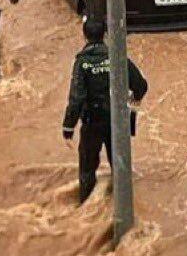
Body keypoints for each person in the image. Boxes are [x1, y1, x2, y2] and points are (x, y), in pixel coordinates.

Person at [62, 17, 148, 203]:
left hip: (92, 122)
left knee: (87, 167)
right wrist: (134, 101)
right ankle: (124, 204)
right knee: (120, 165)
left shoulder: (83, 63)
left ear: (84, 36)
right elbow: (140, 85)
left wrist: (68, 126)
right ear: (105, 35)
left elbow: (77, 98)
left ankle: (85, 208)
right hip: (117, 120)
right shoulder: (117, 57)